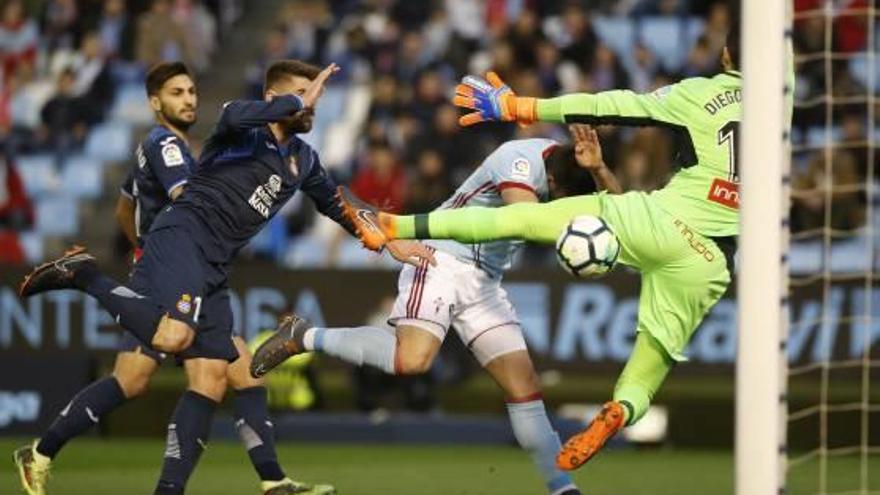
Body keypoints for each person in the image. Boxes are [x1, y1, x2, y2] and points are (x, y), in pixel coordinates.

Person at [335, 18, 785, 474]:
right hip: (711, 257)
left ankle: (396, 224)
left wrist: (519, 106)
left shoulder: (698, 94)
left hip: (662, 218)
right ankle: (622, 410)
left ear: (726, 57)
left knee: (521, 218)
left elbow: (609, 103)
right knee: (654, 362)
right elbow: (780, 46)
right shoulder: (782, 94)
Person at [17, 59, 434, 494]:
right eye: (302, 97)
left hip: (213, 264)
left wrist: (388, 239)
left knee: (235, 375)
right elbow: (233, 112)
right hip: (184, 237)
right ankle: (84, 275)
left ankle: (267, 483)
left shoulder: (303, 159)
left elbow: (335, 202)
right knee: (170, 340)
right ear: (275, 99)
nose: (312, 107)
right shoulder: (242, 131)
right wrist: (296, 101)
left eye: (315, 99)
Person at [251, 125, 621, 495]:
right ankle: (304, 335)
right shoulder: (519, 160)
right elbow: (523, 218)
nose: (560, 203)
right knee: (412, 360)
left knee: (524, 387)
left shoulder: (571, 169)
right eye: (560, 196)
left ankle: (562, 489)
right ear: (553, 178)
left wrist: (601, 170)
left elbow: (623, 212)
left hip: (485, 282)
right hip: (440, 257)